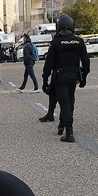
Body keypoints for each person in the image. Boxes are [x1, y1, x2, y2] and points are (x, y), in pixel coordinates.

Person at [41, 14, 90, 143]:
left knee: (64, 103)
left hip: (60, 76)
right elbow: (86, 62)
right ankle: (62, 126)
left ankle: (69, 132)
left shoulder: (56, 42)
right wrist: (84, 77)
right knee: (70, 101)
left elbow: (48, 64)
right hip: (74, 76)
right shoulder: (79, 41)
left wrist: (45, 80)